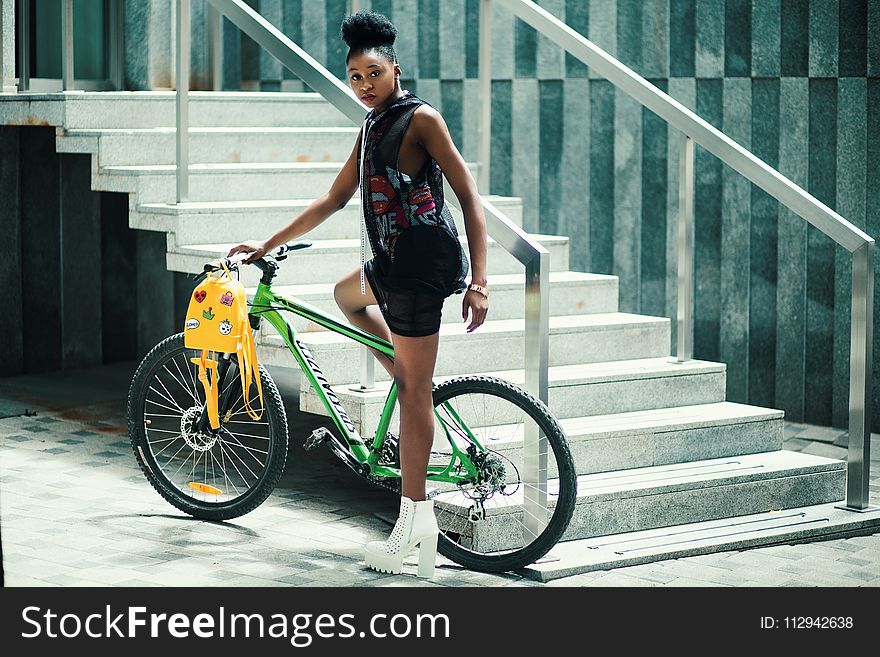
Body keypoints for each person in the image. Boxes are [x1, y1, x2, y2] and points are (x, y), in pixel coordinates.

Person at [227, 10, 489, 578]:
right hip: (387, 265)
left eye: (373, 72)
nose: (364, 85)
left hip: (422, 268)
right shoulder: (370, 127)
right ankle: (405, 374)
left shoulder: (422, 120)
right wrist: (265, 244)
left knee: (417, 393)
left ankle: (414, 521)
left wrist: (480, 282)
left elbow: (469, 198)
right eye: (355, 77)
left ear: (395, 68)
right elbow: (334, 197)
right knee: (346, 296)